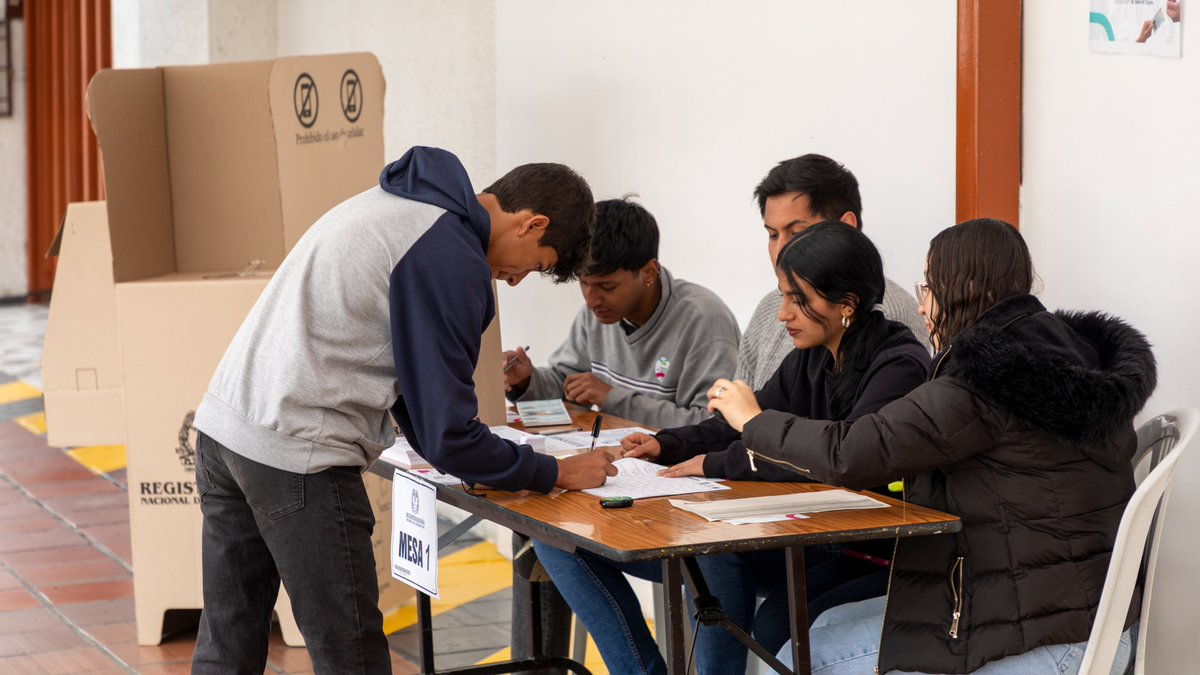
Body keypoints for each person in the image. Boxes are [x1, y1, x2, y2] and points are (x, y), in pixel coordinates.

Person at [189, 146, 616, 674]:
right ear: (532, 224)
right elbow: (447, 433)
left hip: (224, 431)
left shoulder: (404, 204)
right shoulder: (450, 254)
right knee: (351, 652)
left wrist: (479, 462)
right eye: (536, 265)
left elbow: (420, 401)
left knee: (228, 638)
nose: (513, 280)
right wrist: (554, 472)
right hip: (297, 453)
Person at [709, 219, 1154, 674]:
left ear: (962, 287)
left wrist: (755, 421)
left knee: (798, 657)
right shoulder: (1066, 354)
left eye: (929, 287)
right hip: (1090, 616)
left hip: (1047, 640)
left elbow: (853, 452)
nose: (921, 307)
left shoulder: (984, 380)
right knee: (821, 628)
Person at [534, 223, 930, 674]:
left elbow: (840, 460)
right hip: (802, 532)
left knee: (770, 616)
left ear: (847, 305)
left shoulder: (899, 364)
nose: (783, 315)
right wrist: (663, 445)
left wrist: (716, 463)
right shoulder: (813, 356)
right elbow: (739, 422)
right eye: (782, 296)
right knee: (560, 539)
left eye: (797, 299)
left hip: (863, 547)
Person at [503, 197, 740, 428]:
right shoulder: (597, 312)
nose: (591, 301)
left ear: (648, 272)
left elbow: (713, 425)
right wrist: (526, 380)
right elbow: (567, 385)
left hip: (674, 463)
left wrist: (611, 398)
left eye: (608, 287)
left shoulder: (705, 321)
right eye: (584, 283)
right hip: (619, 456)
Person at [738, 154, 928, 391]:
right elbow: (738, 411)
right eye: (773, 235)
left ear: (846, 226)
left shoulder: (884, 312)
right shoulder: (768, 308)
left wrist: (753, 420)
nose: (780, 251)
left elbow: (864, 426)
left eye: (797, 233)